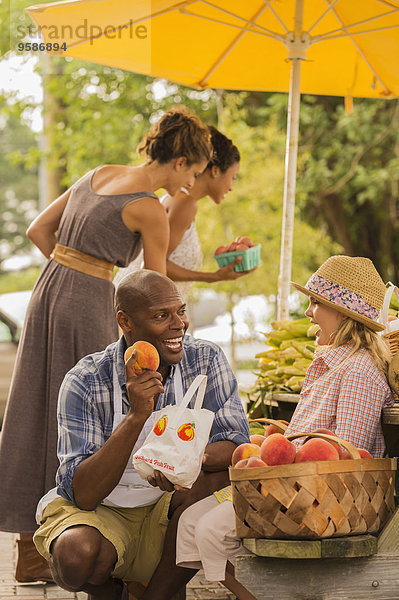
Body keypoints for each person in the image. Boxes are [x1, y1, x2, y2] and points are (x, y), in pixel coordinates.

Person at [0, 107, 213, 583]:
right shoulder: (151, 208)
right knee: (92, 410)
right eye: (193, 173)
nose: (189, 185)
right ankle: (81, 532)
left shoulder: (97, 174)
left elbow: (39, 230)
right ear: (180, 161)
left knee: (36, 407)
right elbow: (152, 288)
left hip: (48, 288)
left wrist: (70, 264)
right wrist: (94, 277)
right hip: (89, 300)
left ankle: (28, 551)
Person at [176, 255, 394, 596]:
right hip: (288, 483)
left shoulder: (359, 371)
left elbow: (344, 459)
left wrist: (287, 449)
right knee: (189, 524)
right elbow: (315, 438)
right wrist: (281, 439)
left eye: (315, 303)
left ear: (342, 312)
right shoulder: (329, 363)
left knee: (208, 530)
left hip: (315, 496)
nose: (308, 313)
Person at [32, 269, 250, 600]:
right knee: (76, 556)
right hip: (102, 508)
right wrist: (136, 415)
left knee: (218, 478)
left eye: (180, 311)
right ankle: (107, 586)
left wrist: (184, 462)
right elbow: (84, 494)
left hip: (168, 505)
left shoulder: (205, 359)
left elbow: (236, 444)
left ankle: (156, 594)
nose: (179, 324)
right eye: (162, 316)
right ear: (126, 321)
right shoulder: (87, 379)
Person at [114, 126, 253, 299]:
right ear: (215, 170)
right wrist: (213, 277)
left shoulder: (173, 198)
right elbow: (156, 267)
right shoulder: (184, 204)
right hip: (142, 303)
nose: (231, 187)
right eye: (232, 177)